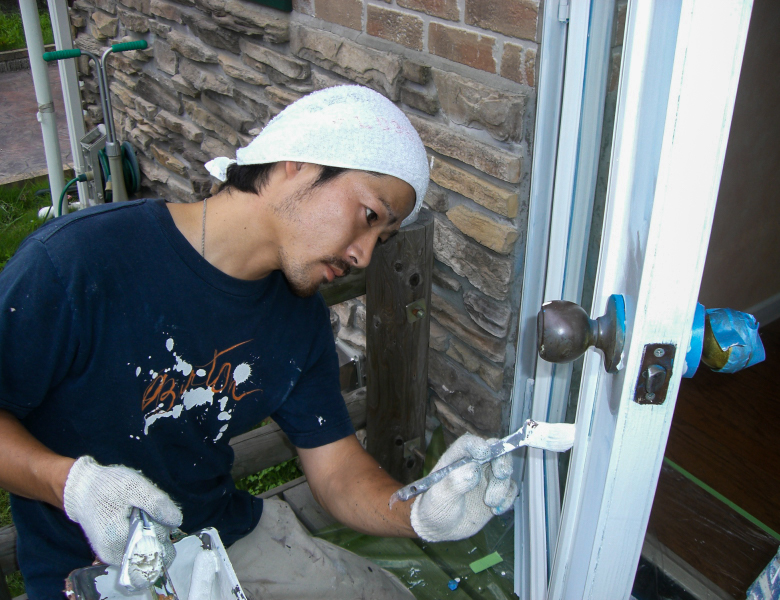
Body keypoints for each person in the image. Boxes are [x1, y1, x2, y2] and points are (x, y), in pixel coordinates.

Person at [0, 85, 517, 599]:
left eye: (381, 239)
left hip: (222, 538)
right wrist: (71, 485)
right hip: (92, 570)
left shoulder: (299, 319)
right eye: (368, 216)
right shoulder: (76, 262)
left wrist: (421, 512)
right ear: (297, 162)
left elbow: (336, 470)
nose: (363, 256)